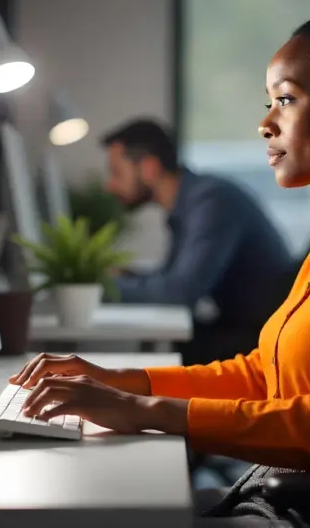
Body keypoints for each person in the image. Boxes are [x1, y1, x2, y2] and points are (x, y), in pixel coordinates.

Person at [10, 0, 310, 527]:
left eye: (286, 99)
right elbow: (266, 375)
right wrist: (119, 381)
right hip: (296, 497)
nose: (266, 123)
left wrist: (145, 413)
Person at [100, 118, 295, 363]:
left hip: (261, 339)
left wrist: (97, 288)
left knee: (166, 359)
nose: (110, 185)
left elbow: (179, 292)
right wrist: (126, 275)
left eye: (117, 173)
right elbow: (172, 278)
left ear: (149, 168)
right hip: (243, 328)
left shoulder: (211, 201)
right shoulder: (191, 202)